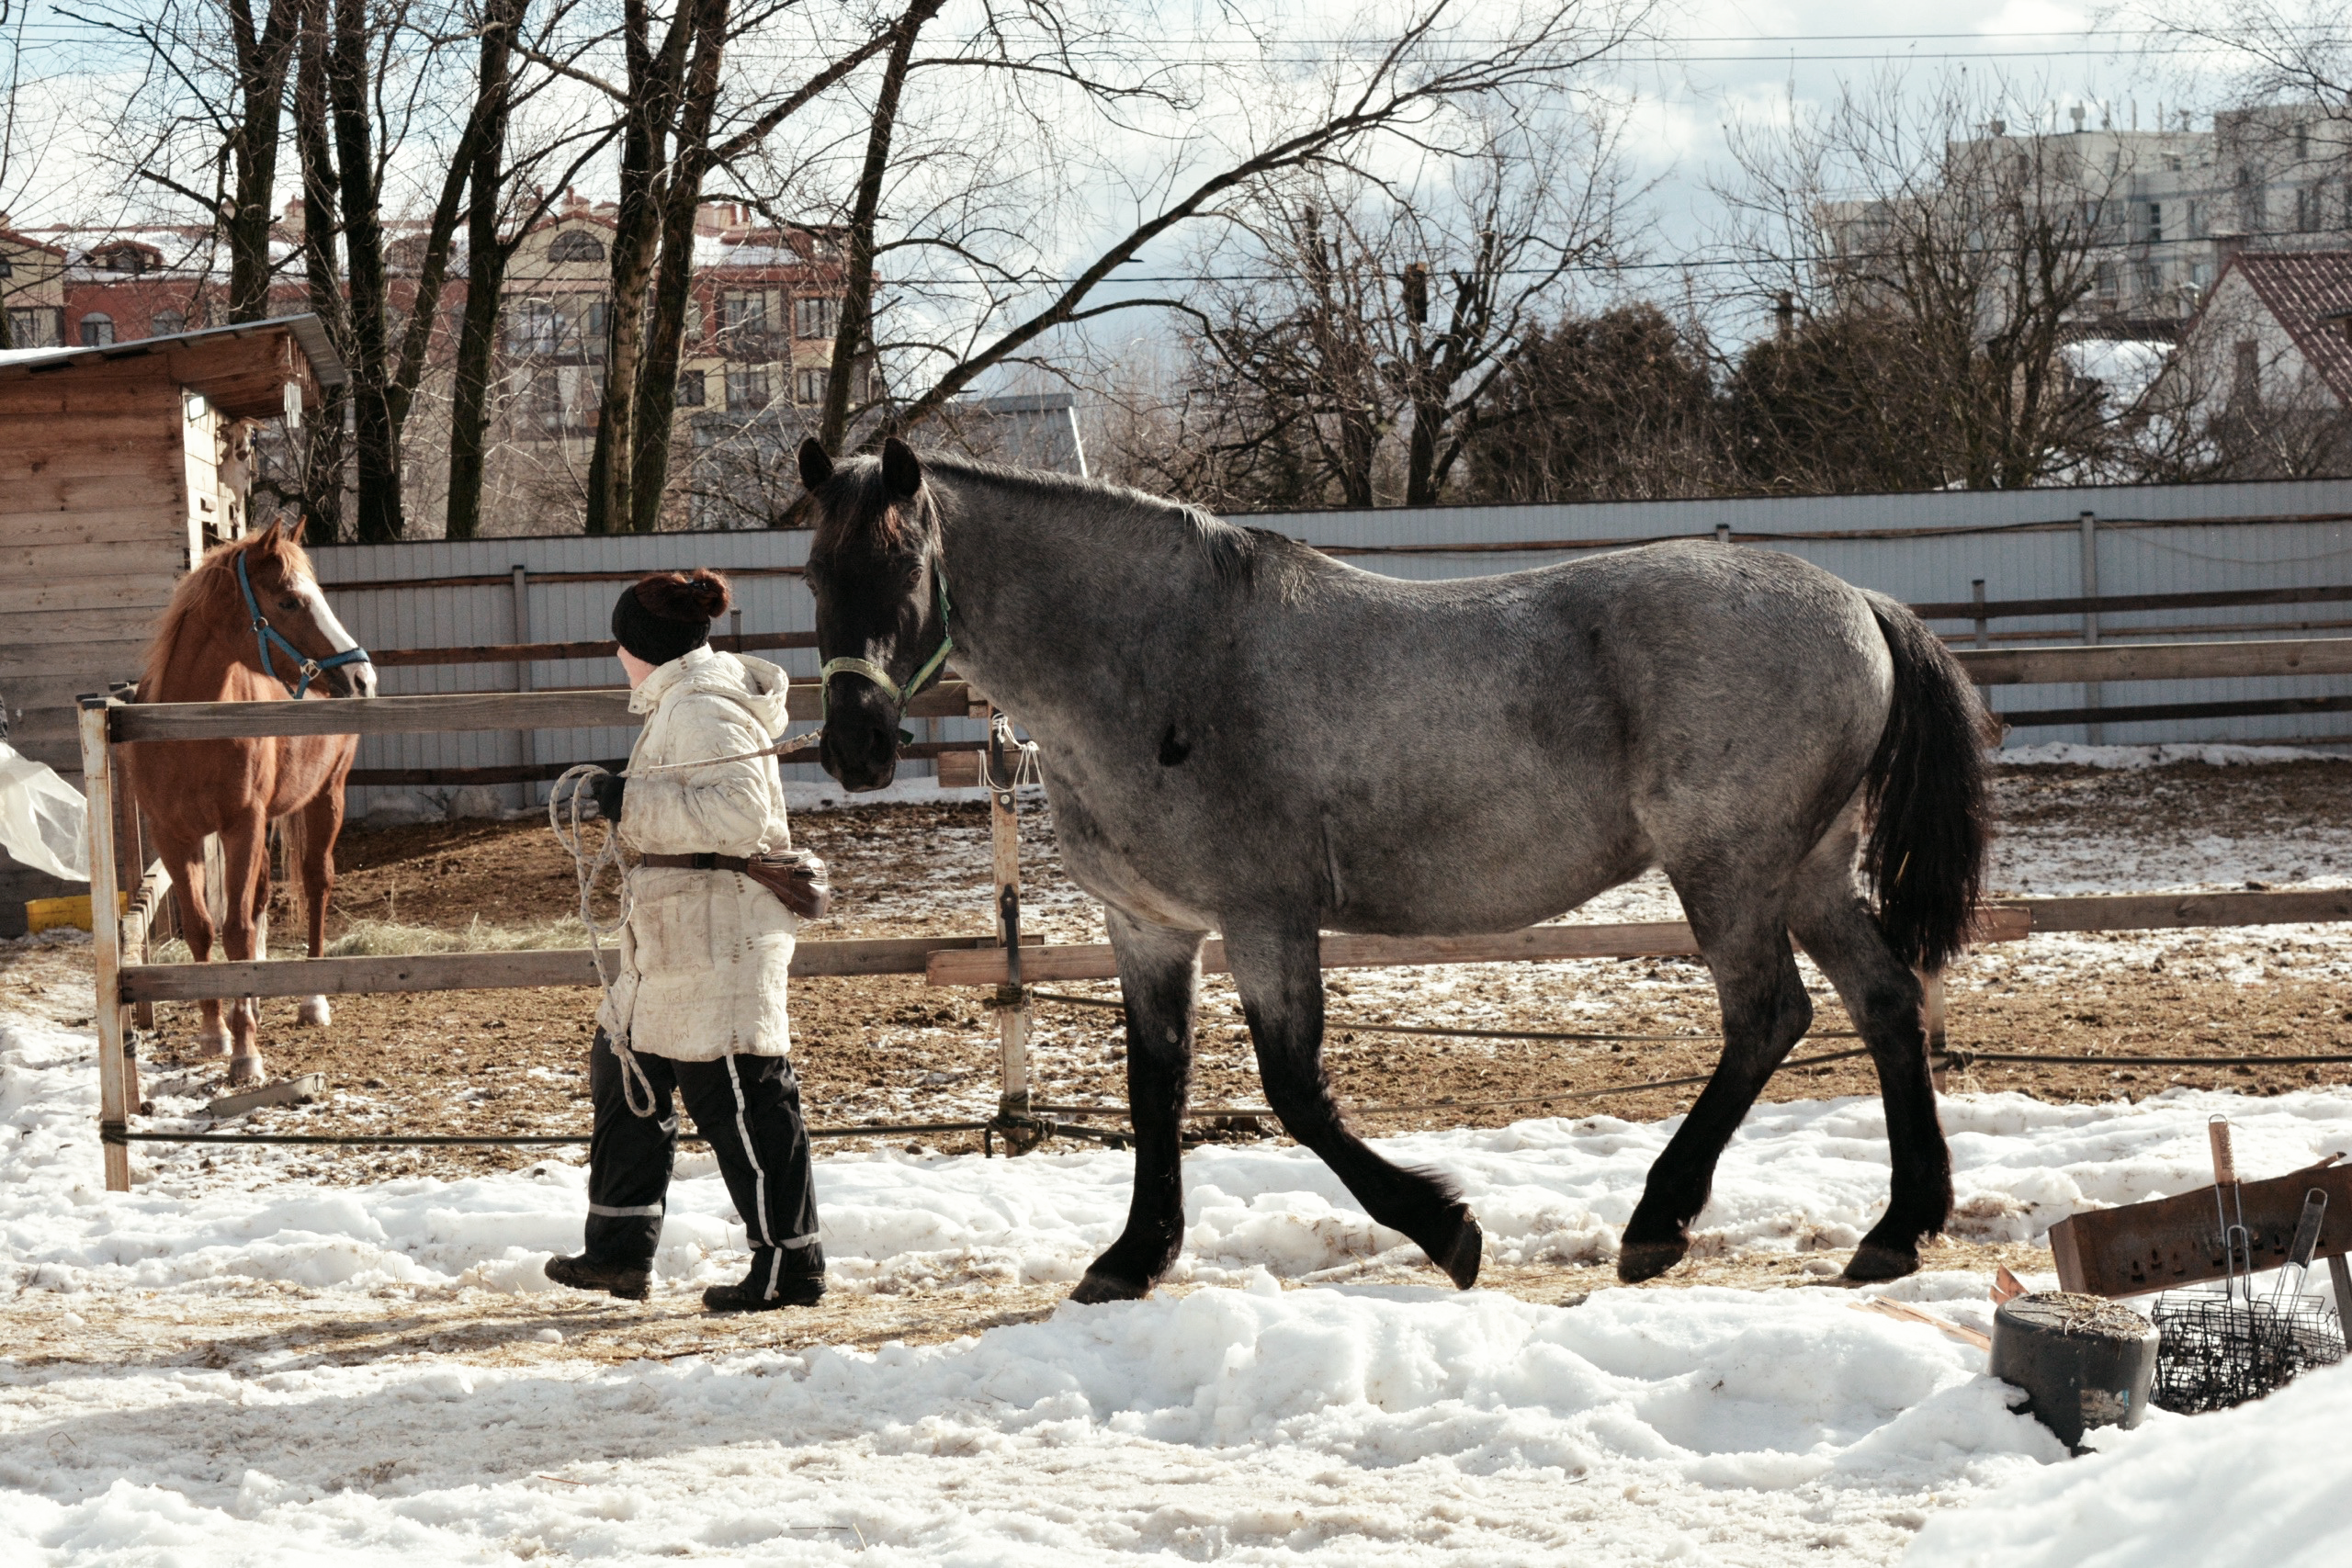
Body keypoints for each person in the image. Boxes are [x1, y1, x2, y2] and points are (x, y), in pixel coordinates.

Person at [544, 569, 825, 1312]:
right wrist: (630, 799)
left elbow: (737, 812)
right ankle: (618, 1252)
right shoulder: (682, 701)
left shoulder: (702, 706)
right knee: (624, 1069)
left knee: (740, 1096)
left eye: (620, 641)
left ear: (640, 646)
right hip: (674, 939)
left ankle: (790, 1267)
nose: (615, 652)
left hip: (717, 935)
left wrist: (629, 800)